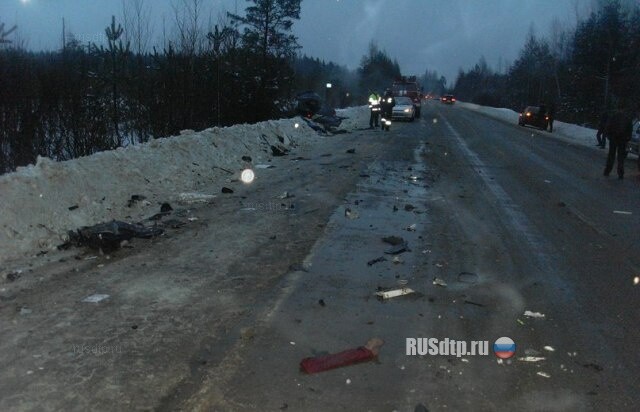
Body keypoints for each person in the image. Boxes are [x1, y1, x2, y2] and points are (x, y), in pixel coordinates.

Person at [603, 109, 633, 179]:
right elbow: (630, 130)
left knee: (611, 155)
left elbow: (608, 126)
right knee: (621, 157)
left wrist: (609, 136)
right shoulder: (627, 118)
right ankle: (620, 173)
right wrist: (627, 138)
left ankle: (607, 170)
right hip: (622, 140)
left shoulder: (614, 117)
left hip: (613, 138)